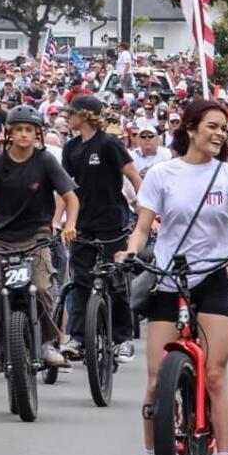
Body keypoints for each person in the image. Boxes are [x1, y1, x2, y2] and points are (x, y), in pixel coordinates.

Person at [117, 99, 228, 455]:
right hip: (168, 280)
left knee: (215, 374)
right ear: (190, 128)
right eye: (212, 126)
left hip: (212, 278)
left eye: (225, 128)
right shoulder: (162, 174)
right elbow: (143, 227)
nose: (219, 134)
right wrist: (131, 251)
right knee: (154, 381)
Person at [0, 105, 76, 372]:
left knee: (43, 288)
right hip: (1, 238)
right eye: (18, 129)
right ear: (9, 132)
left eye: (29, 130)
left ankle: (46, 344)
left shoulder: (45, 161)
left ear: (37, 134)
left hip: (37, 236)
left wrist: (70, 226)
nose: (23, 134)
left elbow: (70, 197)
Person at [60, 94, 143, 362]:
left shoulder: (109, 144)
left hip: (112, 222)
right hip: (82, 222)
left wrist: (145, 207)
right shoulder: (70, 148)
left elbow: (133, 176)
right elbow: (64, 189)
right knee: (80, 282)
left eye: (71, 112)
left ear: (84, 114)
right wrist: (57, 221)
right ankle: (78, 338)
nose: (67, 116)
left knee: (116, 280)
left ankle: (123, 339)